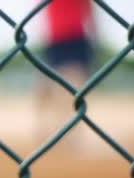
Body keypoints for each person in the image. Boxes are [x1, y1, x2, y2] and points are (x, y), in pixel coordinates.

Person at [37, 0, 96, 147]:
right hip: (59, 38)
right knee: (57, 89)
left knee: (68, 89)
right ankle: (55, 131)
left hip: (71, 36)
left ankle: (66, 133)